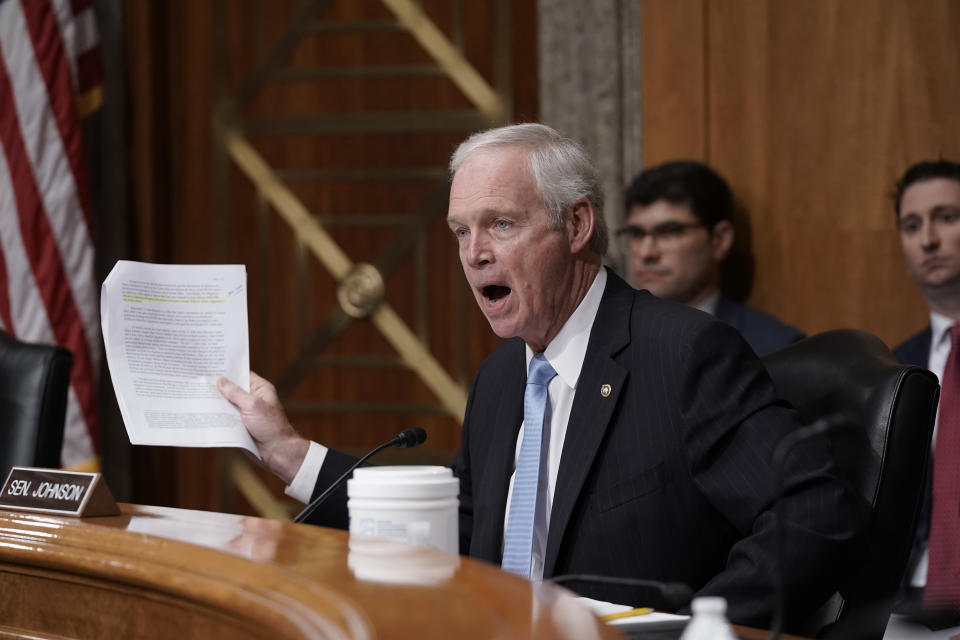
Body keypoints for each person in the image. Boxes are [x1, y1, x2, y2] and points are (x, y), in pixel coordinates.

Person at [218, 124, 861, 629]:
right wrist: (294, 457)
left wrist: (700, 629)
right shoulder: (502, 379)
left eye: (501, 223)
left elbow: (812, 512)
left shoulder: (683, 354)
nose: (475, 255)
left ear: (576, 226)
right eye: (460, 232)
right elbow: (467, 535)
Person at [620, 161, 803, 355]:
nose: (647, 253)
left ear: (719, 239)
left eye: (669, 231)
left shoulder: (775, 348)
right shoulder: (608, 337)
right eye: (637, 233)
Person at [892, 159, 960, 616]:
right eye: (912, 225)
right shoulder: (895, 366)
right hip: (908, 601)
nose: (928, 240)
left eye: (947, 218)